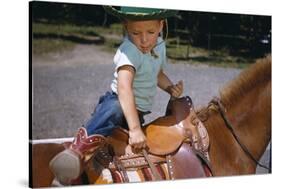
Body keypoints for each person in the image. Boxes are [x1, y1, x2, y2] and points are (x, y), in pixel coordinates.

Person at [49, 6, 183, 184]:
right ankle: (76, 152)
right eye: (136, 33)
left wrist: (170, 88)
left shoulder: (159, 46)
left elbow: (156, 74)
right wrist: (135, 129)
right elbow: (124, 87)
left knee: (134, 146)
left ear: (161, 25)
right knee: (114, 109)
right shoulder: (129, 50)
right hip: (119, 101)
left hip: (137, 113)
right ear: (126, 27)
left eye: (150, 32)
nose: (144, 40)